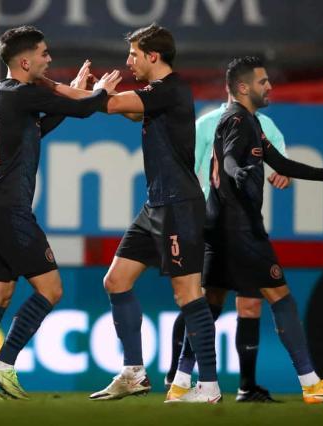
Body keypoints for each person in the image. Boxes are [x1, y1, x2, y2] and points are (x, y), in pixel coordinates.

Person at [170, 56, 323, 405]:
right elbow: (229, 157)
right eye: (263, 82)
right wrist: (237, 173)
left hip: (218, 226)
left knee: (209, 304)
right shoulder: (239, 121)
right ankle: (311, 383)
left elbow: (281, 164)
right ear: (243, 88)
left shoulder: (244, 121)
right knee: (281, 298)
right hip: (241, 228)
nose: (269, 86)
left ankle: (180, 383)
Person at [0, 25, 121, 400]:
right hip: (10, 210)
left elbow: (39, 128)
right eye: (44, 53)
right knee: (51, 289)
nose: (49, 59)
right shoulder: (21, 94)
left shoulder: (4, 96)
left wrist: (80, 92)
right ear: (24, 62)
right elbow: (83, 108)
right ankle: (2, 366)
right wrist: (100, 92)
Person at [81, 24, 221, 404]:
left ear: (153, 56)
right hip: (156, 205)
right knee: (116, 280)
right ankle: (134, 373)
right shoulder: (157, 94)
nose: (129, 61)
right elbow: (123, 110)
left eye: (134, 54)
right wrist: (92, 93)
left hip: (178, 205)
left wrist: (82, 91)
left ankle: (208, 387)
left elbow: (111, 105)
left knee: (188, 293)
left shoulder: (170, 89)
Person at [165, 89, 290, 403]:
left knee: (250, 303)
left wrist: (282, 175)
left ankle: (246, 386)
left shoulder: (267, 127)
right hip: (212, 225)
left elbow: (281, 165)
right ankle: (177, 372)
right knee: (205, 301)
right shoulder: (206, 125)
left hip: (246, 226)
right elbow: (185, 172)